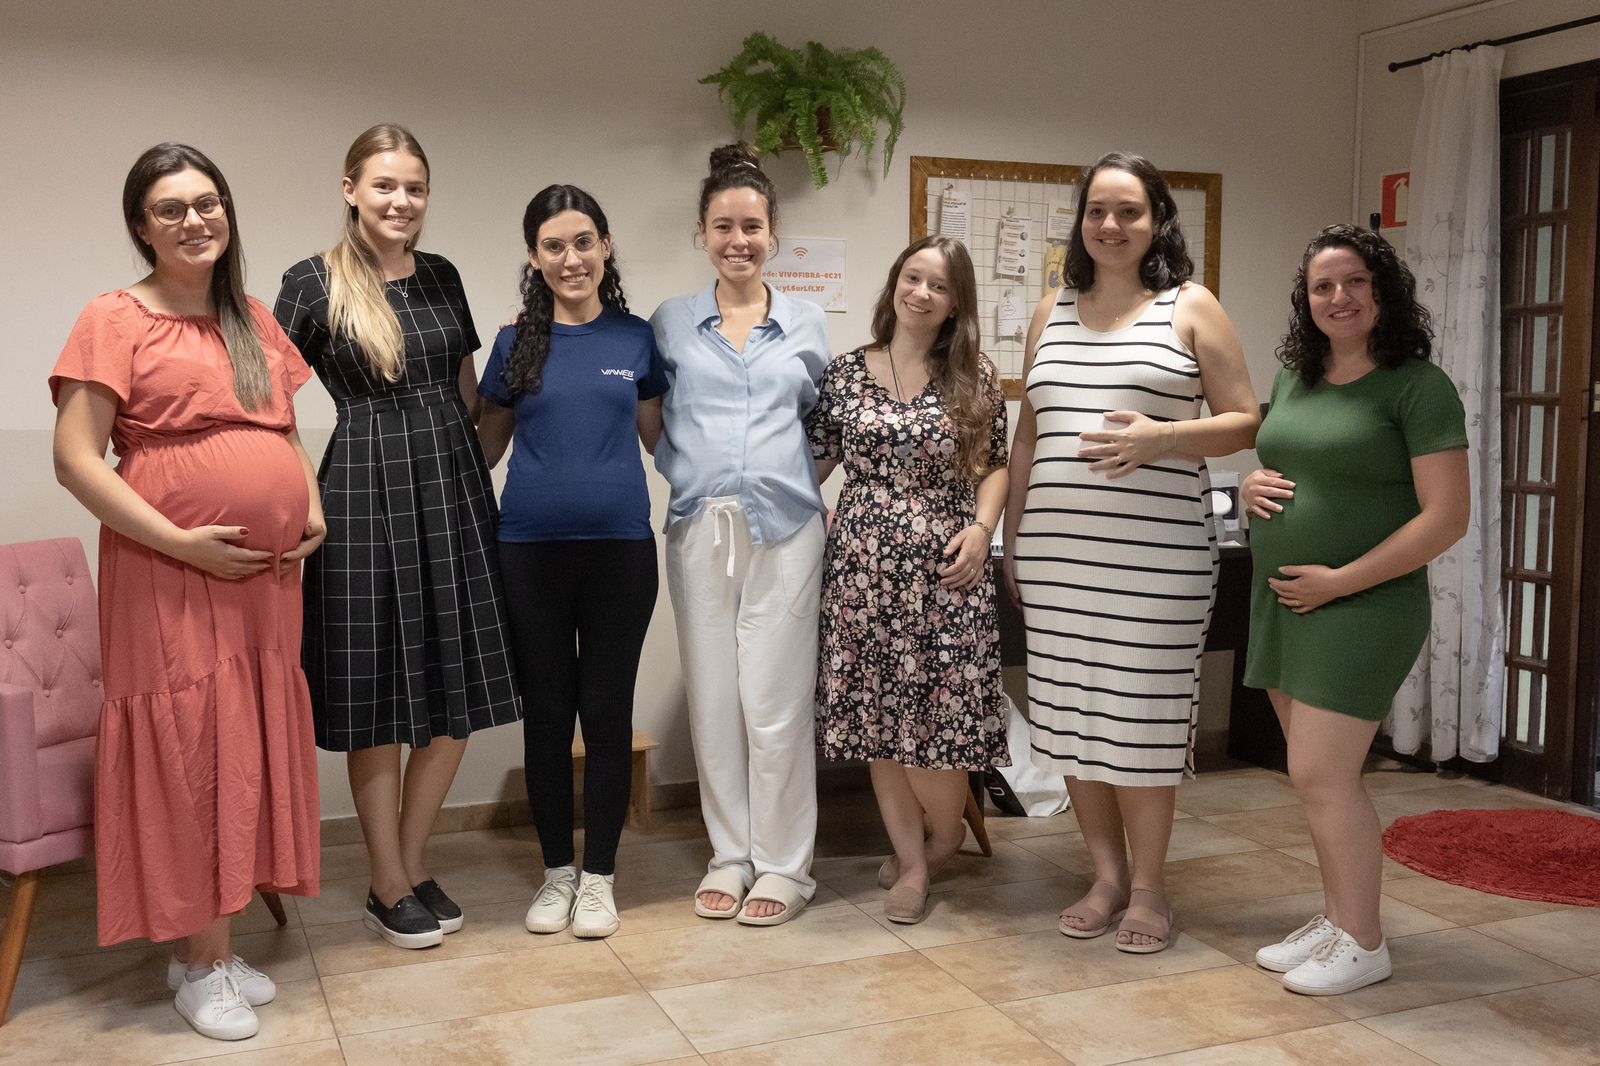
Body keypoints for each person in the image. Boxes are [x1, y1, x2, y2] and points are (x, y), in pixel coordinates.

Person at [51, 143, 322, 1040]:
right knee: (193, 746)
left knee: (242, 744)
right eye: (170, 208)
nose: (194, 220)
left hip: (264, 584)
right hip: (168, 570)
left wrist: (311, 507)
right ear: (142, 226)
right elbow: (75, 458)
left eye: (207, 202)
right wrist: (179, 542)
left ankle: (213, 946)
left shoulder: (251, 317)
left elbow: (284, 429)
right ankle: (201, 967)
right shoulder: (115, 316)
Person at [1002, 151, 1259, 954]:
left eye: (1129, 211)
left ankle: (1149, 888)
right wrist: (1014, 537)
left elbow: (1247, 420)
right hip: (1056, 557)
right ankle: (1106, 876)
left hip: (1158, 561)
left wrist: (1164, 438)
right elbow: (1029, 433)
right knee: (1072, 721)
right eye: (1097, 210)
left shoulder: (1191, 307)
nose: (1110, 224)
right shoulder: (1049, 311)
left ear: (1157, 221)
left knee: (1141, 723)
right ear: (1081, 222)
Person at [274, 124, 521, 950]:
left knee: (458, 693)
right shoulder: (311, 282)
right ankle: (385, 880)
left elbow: (468, 397)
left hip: (454, 490)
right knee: (378, 698)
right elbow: (264, 401)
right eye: (384, 185)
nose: (401, 201)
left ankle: (411, 864)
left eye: (414, 187)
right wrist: (305, 495)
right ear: (350, 189)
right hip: (363, 491)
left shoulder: (443, 276)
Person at [1243, 224, 1468, 995]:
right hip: (1286, 601)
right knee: (1313, 779)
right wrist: (1251, 482)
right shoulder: (1296, 376)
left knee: (1323, 773)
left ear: (1382, 291)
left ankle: (1365, 942)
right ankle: (1341, 918)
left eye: (1354, 283)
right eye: (1322, 287)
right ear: (1306, 301)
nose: (1338, 298)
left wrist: (1341, 582)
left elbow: (1446, 518)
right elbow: (1286, 456)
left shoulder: (1417, 386)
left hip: (1364, 603)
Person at [476, 185, 666, 940]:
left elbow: (662, 441)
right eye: (553, 246)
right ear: (534, 257)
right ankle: (558, 872)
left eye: (583, 242)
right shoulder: (514, 342)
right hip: (529, 554)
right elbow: (485, 448)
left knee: (608, 714)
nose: (571, 258)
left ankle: (600, 878)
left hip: (621, 553)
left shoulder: (637, 339)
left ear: (605, 246)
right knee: (549, 714)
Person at [650, 143, 830, 926]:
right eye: (723, 226)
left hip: (786, 532)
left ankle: (785, 866)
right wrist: (692, 471)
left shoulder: (808, 323)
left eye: (752, 227)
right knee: (716, 700)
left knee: (776, 704)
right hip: (699, 529)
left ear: (773, 233)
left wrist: (787, 483)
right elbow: (651, 419)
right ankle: (730, 854)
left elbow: (823, 425)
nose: (738, 240)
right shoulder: (670, 324)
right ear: (702, 232)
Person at [808, 236, 1009, 924]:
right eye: (913, 277)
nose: (922, 293)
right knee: (878, 726)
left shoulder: (974, 376)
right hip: (861, 574)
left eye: (940, 286)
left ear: (956, 303)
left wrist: (982, 528)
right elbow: (812, 463)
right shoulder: (844, 373)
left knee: (937, 726)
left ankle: (945, 835)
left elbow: (996, 464)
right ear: (895, 281)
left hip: (947, 572)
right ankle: (914, 866)